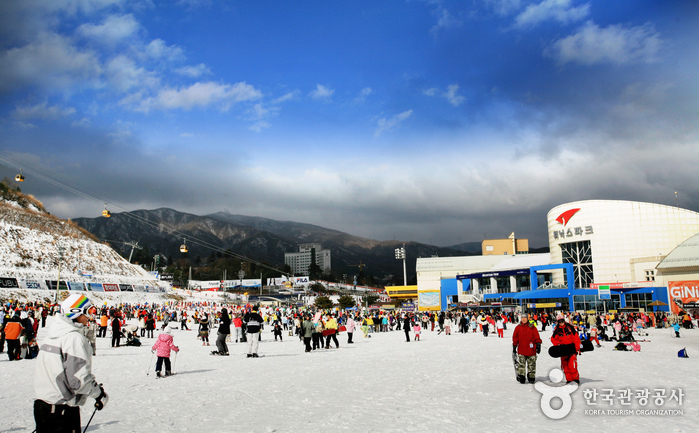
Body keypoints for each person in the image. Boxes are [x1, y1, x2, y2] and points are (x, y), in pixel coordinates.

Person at [33, 294, 108, 432]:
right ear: (76, 312)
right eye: (88, 312)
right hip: (61, 409)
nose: (90, 316)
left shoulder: (53, 334)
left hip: (43, 404)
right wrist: (98, 394)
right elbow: (78, 381)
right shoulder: (73, 338)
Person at [551, 317, 581, 384]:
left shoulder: (570, 328)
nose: (561, 323)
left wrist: (577, 347)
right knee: (565, 366)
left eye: (562, 321)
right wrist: (558, 344)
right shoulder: (557, 330)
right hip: (563, 350)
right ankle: (569, 379)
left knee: (572, 365)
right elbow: (553, 339)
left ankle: (576, 379)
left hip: (572, 348)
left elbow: (576, 338)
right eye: (559, 322)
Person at [512, 315, 542, 384]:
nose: (523, 319)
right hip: (522, 349)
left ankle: (531, 376)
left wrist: (538, 344)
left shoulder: (532, 327)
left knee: (531, 364)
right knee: (521, 364)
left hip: (531, 349)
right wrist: (514, 345)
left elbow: (536, 336)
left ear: (527, 319)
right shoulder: (518, 327)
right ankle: (521, 376)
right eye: (522, 318)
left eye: (525, 318)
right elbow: (515, 337)